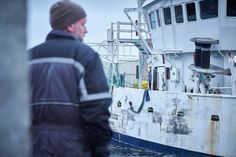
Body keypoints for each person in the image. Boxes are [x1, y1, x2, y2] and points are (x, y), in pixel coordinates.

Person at [28, 1, 112, 157]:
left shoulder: (28, 58)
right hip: (73, 149)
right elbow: (97, 111)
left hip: (33, 148)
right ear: (70, 26)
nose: (86, 30)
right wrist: (100, 150)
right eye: (83, 24)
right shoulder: (85, 56)